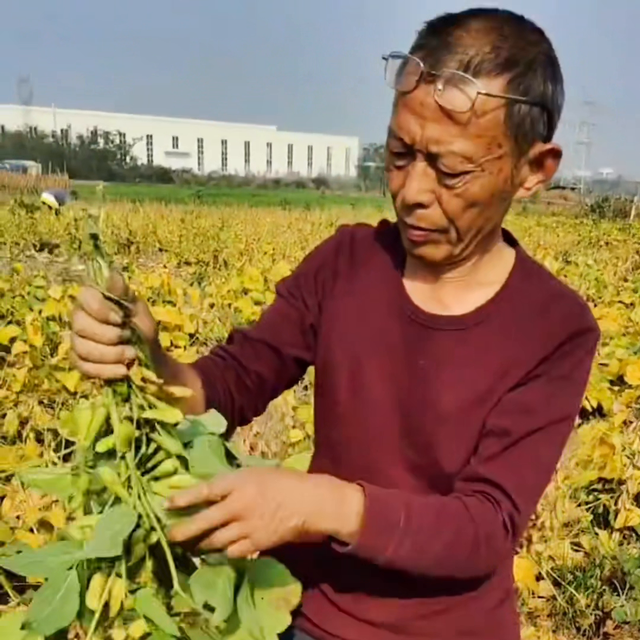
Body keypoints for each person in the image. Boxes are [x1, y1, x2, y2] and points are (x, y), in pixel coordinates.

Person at [69, 8, 600, 640]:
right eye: (399, 153)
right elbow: (231, 384)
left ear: (533, 170)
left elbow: (483, 528)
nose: (412, 191)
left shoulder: (553, 327)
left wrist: (318, 503)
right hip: (308, 618)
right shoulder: (347, 265)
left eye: (451, 170)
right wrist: (148, 360)